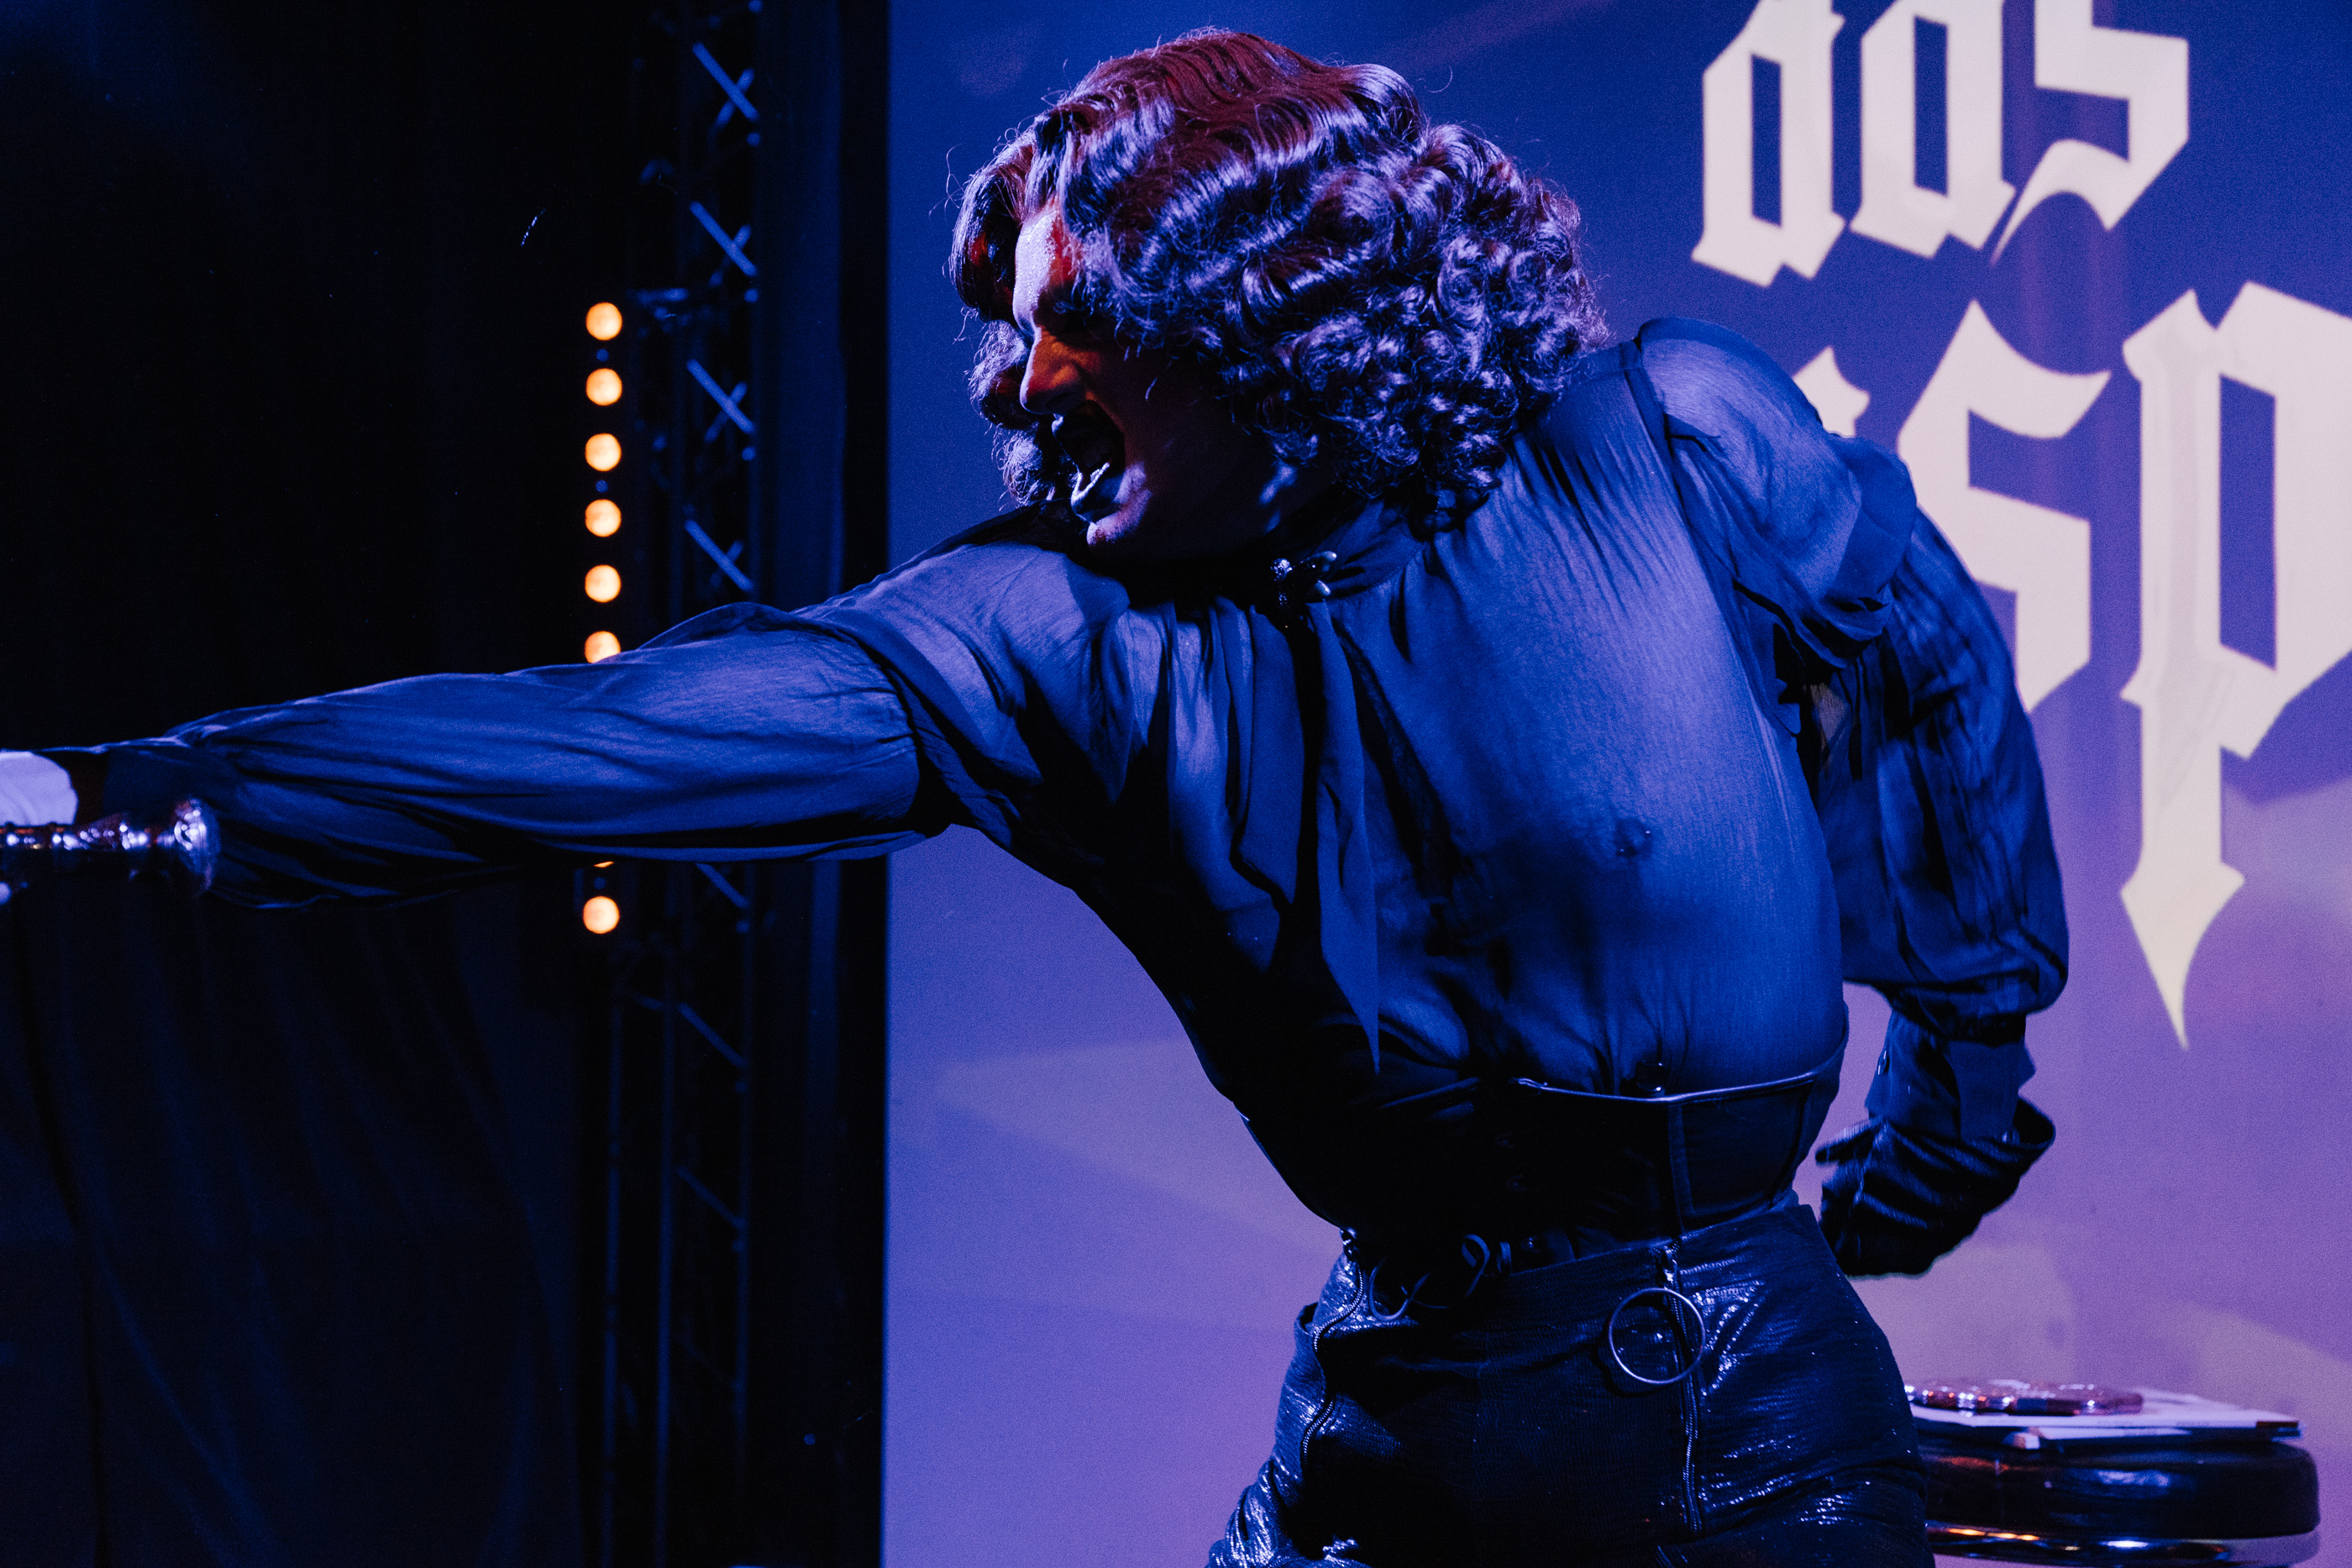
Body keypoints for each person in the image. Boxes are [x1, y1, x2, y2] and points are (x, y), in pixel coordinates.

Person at [0, 29, 2063, 1566]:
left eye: (1074, 318)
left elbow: (1921, 655)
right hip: (1383, 1429)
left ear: (1267, 311)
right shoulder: (1060, 635)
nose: (1012, 378)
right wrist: (105, 787)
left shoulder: (1655, 440)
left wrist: (1963, 1056)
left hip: (1735, 1444)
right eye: (1005, 326)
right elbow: (606, 739)